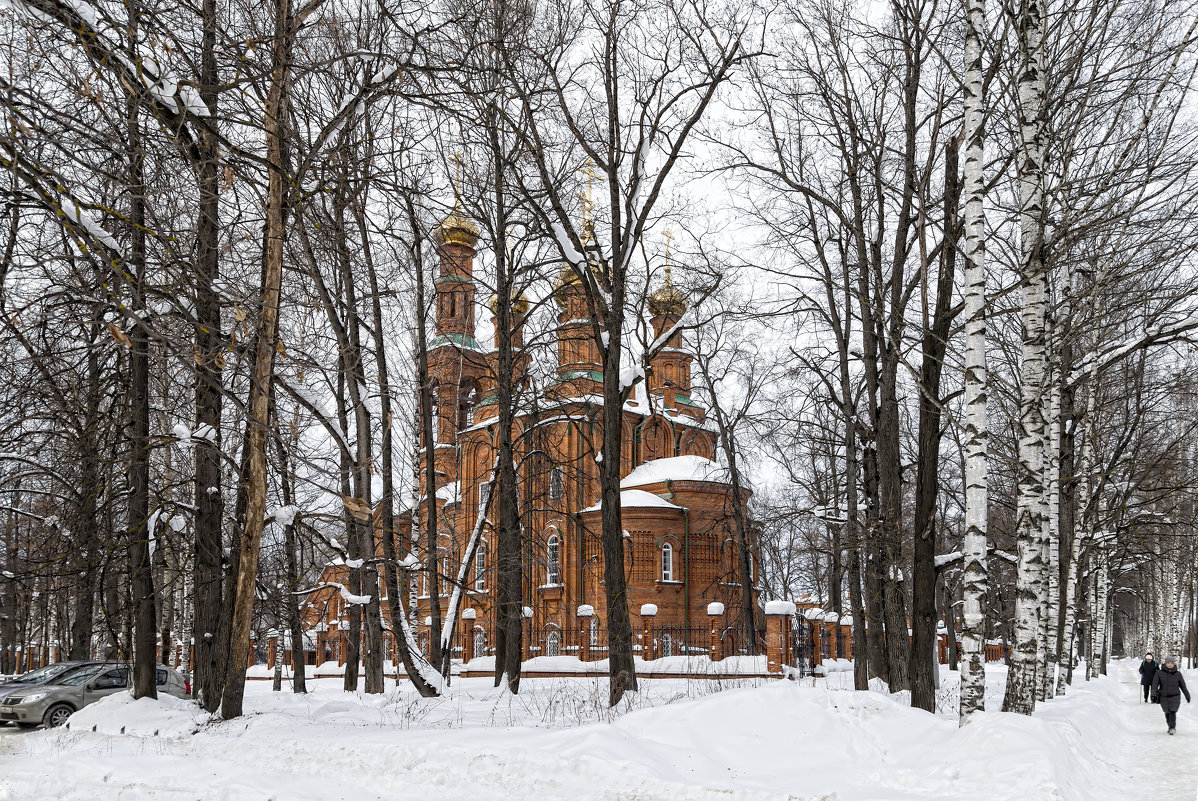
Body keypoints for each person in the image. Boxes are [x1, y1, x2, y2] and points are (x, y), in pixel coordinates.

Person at [1150, 656, 1190, 734]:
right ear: (1165, 663)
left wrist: (1187, 695)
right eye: (1168, 663)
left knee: (1172, 711)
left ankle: (1172, 727)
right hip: (1163, 697)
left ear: (1174, 664)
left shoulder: (1178, 674)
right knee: (1167, 712)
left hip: (1175, 696)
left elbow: (1183, 686)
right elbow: (1155, 685)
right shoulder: (1159, 673)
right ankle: (1170, 726)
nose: (1170, 664)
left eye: (1171, 663)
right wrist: (1153, 695)